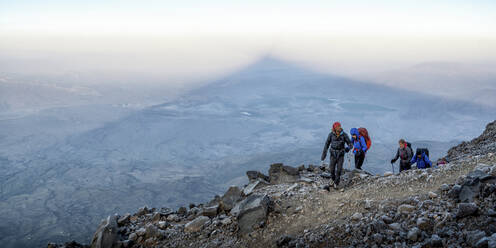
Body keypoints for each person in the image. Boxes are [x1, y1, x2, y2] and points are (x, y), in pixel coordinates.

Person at [321, 122, 353, 189]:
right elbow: (326, 144)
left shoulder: (344, 135)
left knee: (339, 170)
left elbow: (350, 143)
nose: (339, 127)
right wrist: (323, 155)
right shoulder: (331, 135)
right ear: (334, 128)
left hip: (341, 154)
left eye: (339, 126)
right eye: (337, 127)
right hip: (333, 154)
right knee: (332, 169)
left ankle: (336, 183)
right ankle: (333, 179)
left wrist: (348, 148)